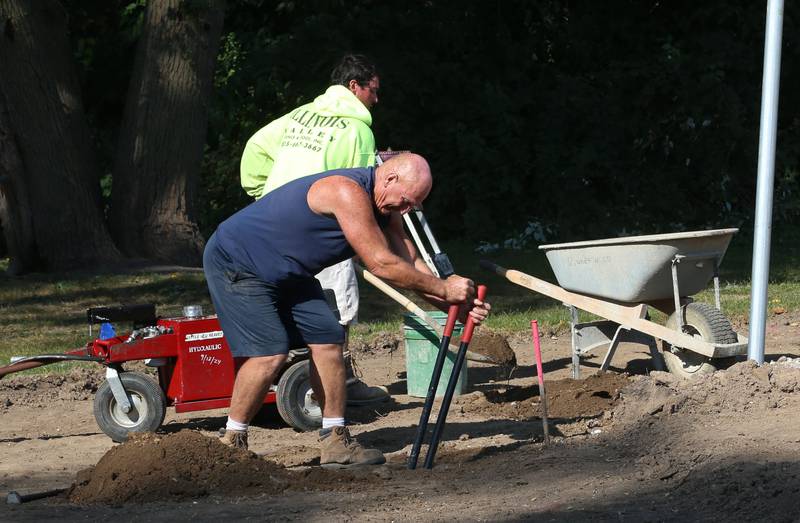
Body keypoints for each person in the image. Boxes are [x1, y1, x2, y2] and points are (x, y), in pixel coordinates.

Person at [204, 153, 491, 467]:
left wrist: (455, 306)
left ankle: (335, 440)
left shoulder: (388, 205)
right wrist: (445, 289)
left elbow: (410, 265)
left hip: (289, 270)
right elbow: (381, 264)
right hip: (239, 260)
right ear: (390, 177)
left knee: (328, 338)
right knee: (270, 353)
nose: (406, 210)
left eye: (414, 206)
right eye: (406, 201)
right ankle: (232, 441)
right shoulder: (346, 191)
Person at [240, 53, 385, 405]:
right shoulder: (357, 129)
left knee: (285, 297)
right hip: (322, 226)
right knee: (339, 304)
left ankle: (286, 376)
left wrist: (264, 193)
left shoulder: (298, 115)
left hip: (272, 224)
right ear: (354, 86)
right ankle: (339, 381)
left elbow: (255, 149)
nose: (376, 100)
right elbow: (360, 189)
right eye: (373, 90)